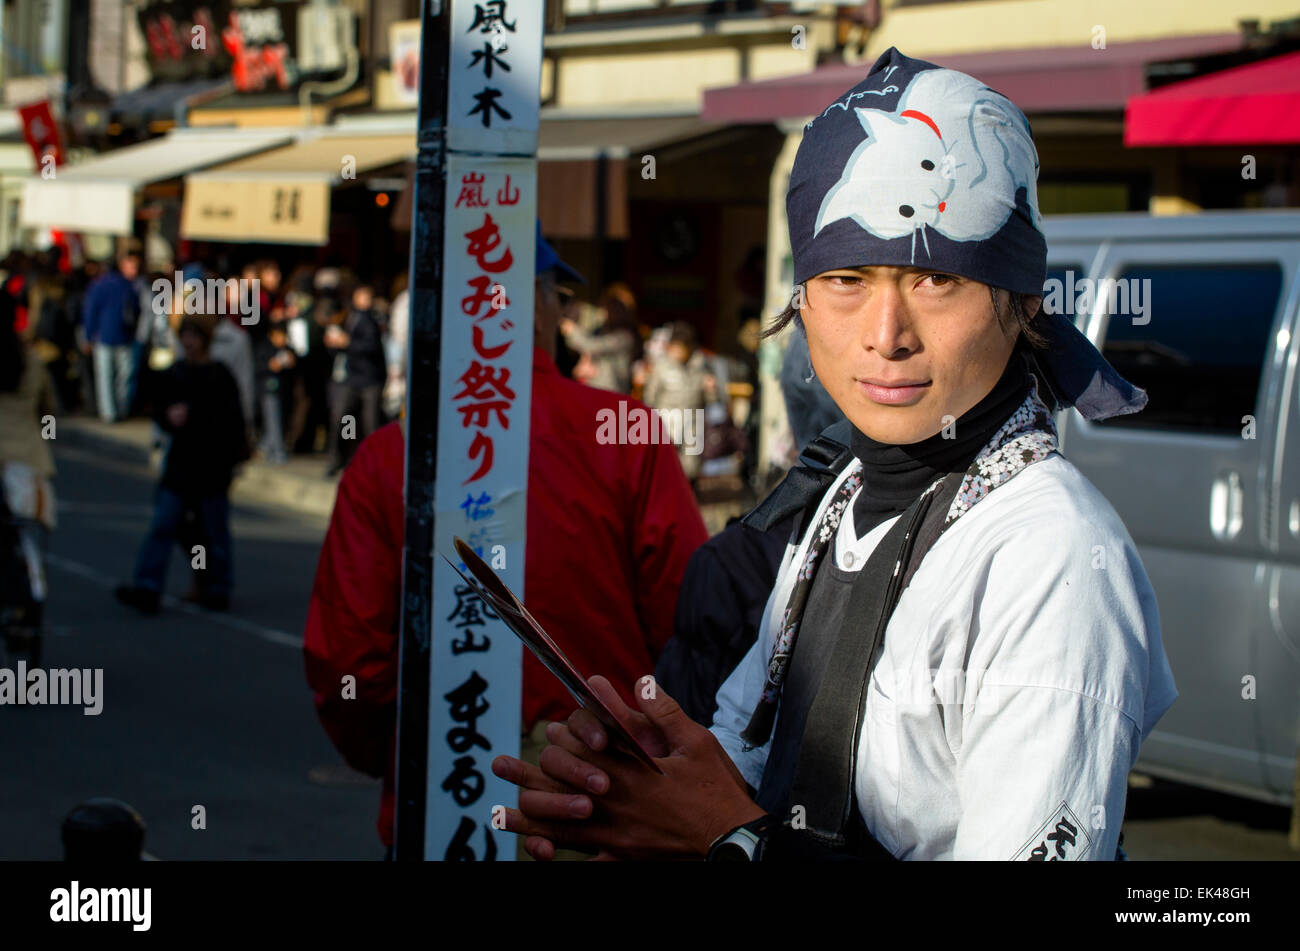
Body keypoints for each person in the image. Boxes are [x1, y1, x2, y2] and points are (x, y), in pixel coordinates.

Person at [492, 47, 1178, 862]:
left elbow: (741, 826)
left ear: (1023, 303)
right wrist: (635, 787)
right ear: (802, 305)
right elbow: (744, 759)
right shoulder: (842, 493)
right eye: (847, 277)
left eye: (937, 280)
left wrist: (730, 841)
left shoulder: (1049, 555)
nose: (885, 335)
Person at [302, 225, 708, 856]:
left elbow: (348, 661)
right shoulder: (625, 431)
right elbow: (689, 629)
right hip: (604, 803)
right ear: (542, 303)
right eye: (559, 297)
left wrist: (396, 748)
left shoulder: (391, 456)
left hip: (441, 792)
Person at [115, 314, 248, 615]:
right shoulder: (175, 373)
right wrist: (167, 416)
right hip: (181, 463)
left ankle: (217, 586)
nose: (188, 343)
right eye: (184, 337)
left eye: (194, 337)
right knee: (164, 524)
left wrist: (234, 458)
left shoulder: (218, 375)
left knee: (214, 531)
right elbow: (157, 407)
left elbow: (234, 421)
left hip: (212, 465)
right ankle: (148, 586)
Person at [324, 283, 386, 475]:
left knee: (370, 424)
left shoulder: (371, 319)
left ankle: (372, 464)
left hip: (369, 379)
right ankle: (343, 457)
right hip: (352, 378)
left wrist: (348, 342)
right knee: (346, 420)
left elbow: (371, 345)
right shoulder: (349, 316)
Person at [641, 321, 714, 483]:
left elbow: (711, 402)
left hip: (693, 427)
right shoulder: (661, 367)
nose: (677, 352)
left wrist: (711, 389)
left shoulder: (701, 367)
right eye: (674, 347)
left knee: (689, 473)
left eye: (680, 347)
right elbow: (649, 399)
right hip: (667, 425)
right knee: (663, 472)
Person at [81, 250, 142, 422]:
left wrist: (88, 336)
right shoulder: (123, 286)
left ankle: (111, 412)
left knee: (109, 377)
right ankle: (117, 410)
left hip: (111, 337)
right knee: (119, 377)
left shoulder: (103, 285)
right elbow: (137, 311)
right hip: (116, 337)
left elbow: (90, 312)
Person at [559, 282, 641, 394]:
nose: (602, 314)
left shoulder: (624, 337)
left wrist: (572, 331)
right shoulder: (603, 331)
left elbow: (593, 346)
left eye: (607, 310)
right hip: (597, 389)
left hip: (611, 392)